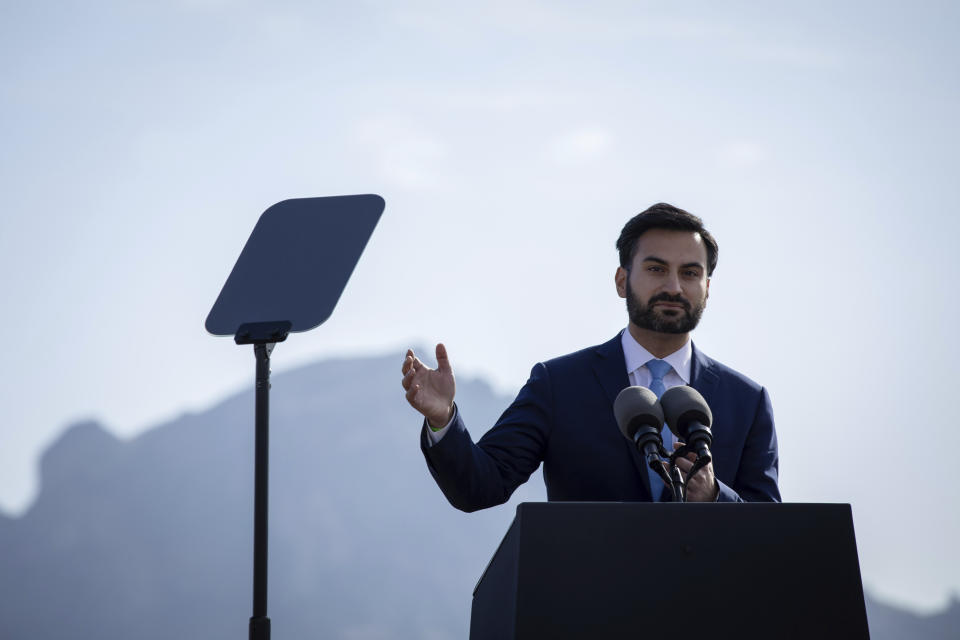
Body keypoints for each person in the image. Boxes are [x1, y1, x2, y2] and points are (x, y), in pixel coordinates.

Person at [401, 203, 780, 512]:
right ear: (621, 281)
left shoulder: (747, 401)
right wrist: (443, 419)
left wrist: (715, 496)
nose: (673, 286)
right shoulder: (559, 384)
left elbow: (772, 535)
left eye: (690, 273)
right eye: (655, 268)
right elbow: (480, 486)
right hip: (587, 602)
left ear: (707, 288)